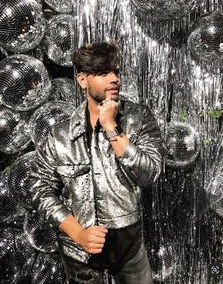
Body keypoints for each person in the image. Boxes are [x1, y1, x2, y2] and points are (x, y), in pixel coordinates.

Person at [29, 41, 166, 284]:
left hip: (128, 247)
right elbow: (39, 186)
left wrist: (112, 128)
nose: (114, 79)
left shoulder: (138, 118)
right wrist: (77, 232)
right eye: (103, 73)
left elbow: (150, 174)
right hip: (79, 253)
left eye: (116, 72)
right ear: (83, 80)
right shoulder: (60, 135)